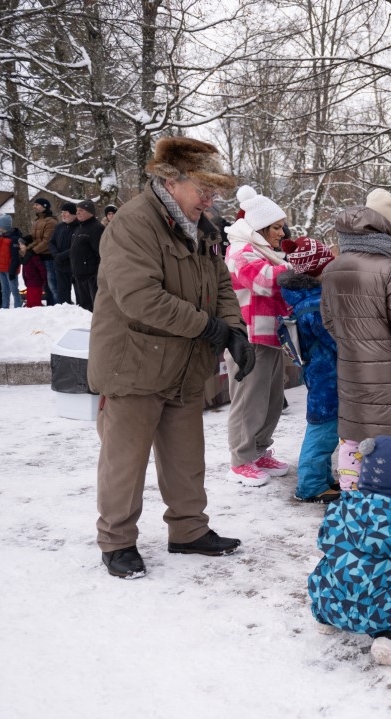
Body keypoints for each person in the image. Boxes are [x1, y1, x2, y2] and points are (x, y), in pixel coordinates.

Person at [87, 136, 253, 579]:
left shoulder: (199, 225)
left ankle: (188, 530)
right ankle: (117, 541)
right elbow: (140, 298)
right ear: (172, 181)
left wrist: (234, 328)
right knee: (125, 460)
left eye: (214, 189)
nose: (211, 197)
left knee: (186, 456)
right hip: (134, 362)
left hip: (182, 362)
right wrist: (209, 327)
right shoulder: (134, 222)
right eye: (204, 187)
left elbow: (219, 282)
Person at [320, 190, 391, 492]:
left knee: (353, 435)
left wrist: (351, 343)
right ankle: (384, 501)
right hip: (389, 369)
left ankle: (352, 497)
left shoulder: (331, 269)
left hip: (351, 366)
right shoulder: (389, 268)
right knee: (389, 438)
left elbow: (329, 319)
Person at [306, 435, 391, 667]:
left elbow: (324, 542)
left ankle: (325, 619)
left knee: (330, 560)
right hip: (381, 613)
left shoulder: (340, 508)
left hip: (330, 602)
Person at [224, 185, 294, 487]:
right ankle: (241, 460)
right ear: (261, 227)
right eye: (277, 227)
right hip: (248, 337)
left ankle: (260, 450)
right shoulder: (240, 250)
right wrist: (302, 269)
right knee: (249, 401)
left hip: (271, 335)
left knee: (272, 400)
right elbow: (264, 281)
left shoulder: (265, 250)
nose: (282, 233)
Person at [277, 237, 341, 504]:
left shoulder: (309, 298)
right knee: (322, 431)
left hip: (323, 374)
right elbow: (337, 340)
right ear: (318, 270)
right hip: (327, 377)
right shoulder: (314, 306)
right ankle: (310, 485)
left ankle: (322, 479)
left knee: (326, 429)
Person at [70, 200, 104, 311]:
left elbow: (100, 253)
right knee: (85, 306)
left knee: (95, 306)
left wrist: (97, 273)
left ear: (90, 212)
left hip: (92, 276)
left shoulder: (97, 228)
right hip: (79, 274)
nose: (78, 213)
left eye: (81, 210)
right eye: (77, 210)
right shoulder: (79, 228)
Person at [28, 198, 57, 305]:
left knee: (52, 285)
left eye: (37, 204)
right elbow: (36, 240)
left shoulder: (51, 221)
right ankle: (50, 306)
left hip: (49, 257)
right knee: (45, 284)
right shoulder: (37, 221)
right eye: (34, 204)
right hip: (39, 257)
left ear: (45, 206)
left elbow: (46, 241)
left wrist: (32, 251)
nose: (34, 206)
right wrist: (28, 249)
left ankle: (56, 306)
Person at [49, 202, 77, 304]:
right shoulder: (59, 226)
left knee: (80, 293)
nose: (63, 215)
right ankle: (64, 311)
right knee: (63, 295)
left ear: (74, 213)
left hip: (75, 265)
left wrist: (62, 256)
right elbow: (52, 242)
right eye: (62, 212)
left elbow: (77, 247)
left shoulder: (79, 227)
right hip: (60, 264)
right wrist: (56, 255)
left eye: (66, 212)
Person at [0, 215, 23, 308]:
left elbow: (15, 257)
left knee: (13, 289)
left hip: (10, 269)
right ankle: (5, 306)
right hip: (1, 268)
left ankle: (18, 305)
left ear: (3, 227)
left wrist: (12, 271)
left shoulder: (13, 239)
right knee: (4, 289)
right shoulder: (0, 237)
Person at [18, 234, 46, 307]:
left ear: (27, 245)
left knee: (35, 304)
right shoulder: (25, 256)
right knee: (30, 303)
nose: (20, 246)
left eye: (21, 244)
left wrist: (44, 278)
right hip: (29, 282)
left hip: (36, 282)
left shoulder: (33, 256)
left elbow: (41, 268)